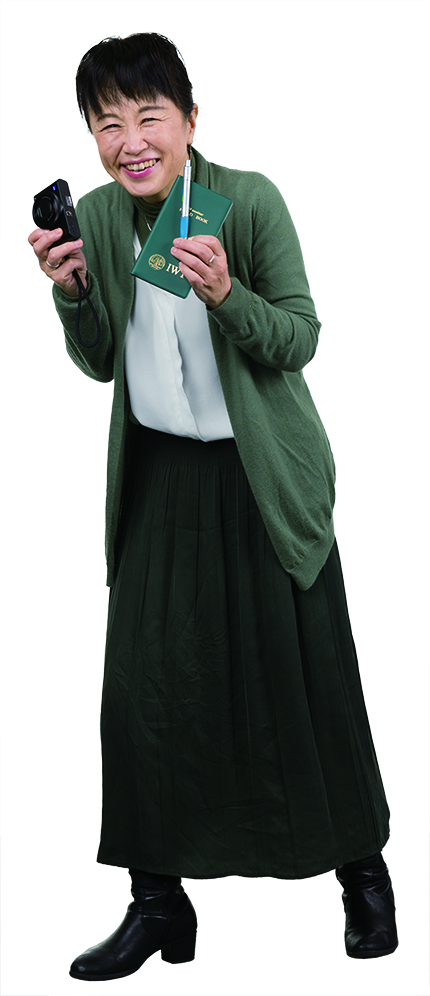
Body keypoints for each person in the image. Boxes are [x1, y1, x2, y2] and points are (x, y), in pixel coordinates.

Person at [28, 32, 398, 982]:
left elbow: (300, 337)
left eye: (148, 116)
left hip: (262, 475)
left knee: (304, 678)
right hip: (160, 480)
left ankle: (362, 875)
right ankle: (158, 904)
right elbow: (102, 361)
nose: (129, 141)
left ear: (191, 120)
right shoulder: (102, 217)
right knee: (143, 696)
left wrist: (228, 294)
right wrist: (71, 293)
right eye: (107, 124)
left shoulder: (249, 199)